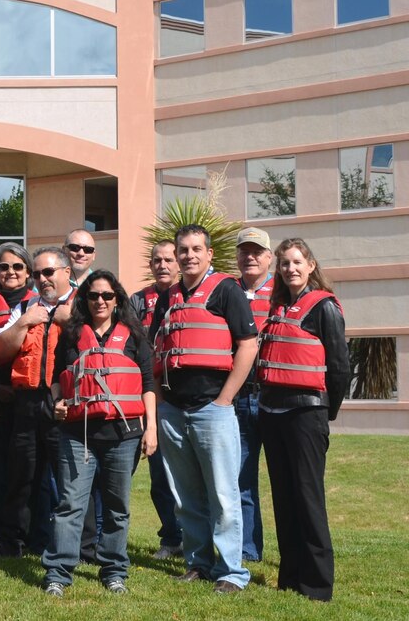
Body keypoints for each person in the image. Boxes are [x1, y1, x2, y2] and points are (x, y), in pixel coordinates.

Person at [154, 224, 258, 594]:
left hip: (213, 409)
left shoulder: (226, 290)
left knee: (224, 495)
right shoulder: (168, 297)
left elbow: (248, 344)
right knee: (186, 496)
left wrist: (226, 398)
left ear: (210, 253)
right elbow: (156, 349)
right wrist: (162, 402)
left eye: (196, 249)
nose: (189, 256)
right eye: (183, 250)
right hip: (173, 410)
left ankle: (232, 571)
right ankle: (198, 562)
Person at [42, 271, 157, 597]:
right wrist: (58, 404)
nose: (101, 301)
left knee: (117, 507)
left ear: (117, 299)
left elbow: (148, 385)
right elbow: (55, 380)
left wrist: (151, 429)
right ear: (85, 299)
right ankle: (58, 574)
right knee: (69, 506)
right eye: (94, 296)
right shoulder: (72, 334)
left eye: (108, 296)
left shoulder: (134, 335)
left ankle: (114, 570)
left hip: (124, 435)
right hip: (77, 434)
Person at [256, 238, 349, 602]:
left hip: (307, 413)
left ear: (311, 265)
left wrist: (328, 411)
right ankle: (290, 577)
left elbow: (340, 367)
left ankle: (317, 585)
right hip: (273, 413)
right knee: (284, 498)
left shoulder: (324, 307)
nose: (290, 268)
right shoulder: (278, 308)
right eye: (284, 263)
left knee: (308, 498)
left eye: (297, 262)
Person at [0, 246, 72, 557]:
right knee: (23, 476)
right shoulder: (27, 307)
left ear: (66, 272)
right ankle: (18, 542)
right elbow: (2, 350)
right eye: (37, 274)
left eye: (48, 272)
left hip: (65, 403)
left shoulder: (85, 304)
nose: (42, 279)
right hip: (27, 402)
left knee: (70, 481)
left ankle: (81, 546)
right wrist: (24, 323)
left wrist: (71, 320)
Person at [129, 240, 183, 560]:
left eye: (168, 259)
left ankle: (194, 536)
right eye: (156, 260)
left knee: (189, 475)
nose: (162, 265)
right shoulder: (137, 301)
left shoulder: (191, 296)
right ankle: (171, 537)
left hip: (187, 398)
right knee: (159, 475)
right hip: (150, 397)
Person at [0, 242, 35, 554]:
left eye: (17, 266)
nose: (10, 272)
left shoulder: (41, 303)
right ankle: (4, 538)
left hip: (31, 401)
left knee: (29, 472)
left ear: (27, 272)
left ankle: (30, 536)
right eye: (4, 267)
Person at [234, 227, 275, 563]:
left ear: (268, 257)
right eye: (244, 251)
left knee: (286, 480)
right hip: (237, 399)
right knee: (242, 480)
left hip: (275, 398)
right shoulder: (226, 291)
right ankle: (249, 552)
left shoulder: (285, 291)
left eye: (257, 251)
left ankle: (295, 553)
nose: (250, 257)